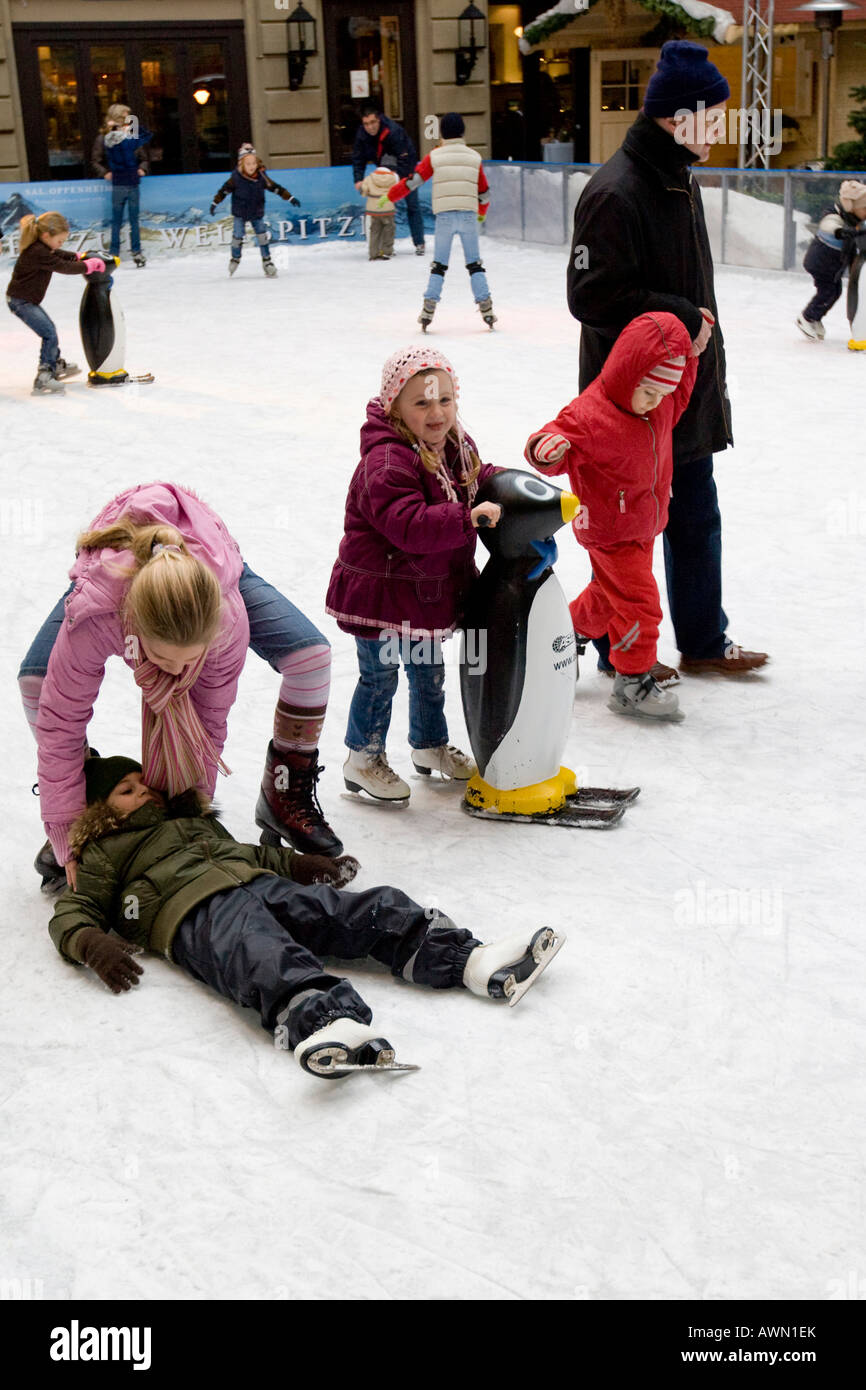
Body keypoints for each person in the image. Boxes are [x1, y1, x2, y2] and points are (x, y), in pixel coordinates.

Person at [47, 756, 563, 1078]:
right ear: (102, 811)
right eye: (127, 790)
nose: (145, 793)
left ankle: (467, 958)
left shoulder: (194, 824)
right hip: (195, 914)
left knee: (351, 910)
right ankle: (322, 1022)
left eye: (143, 783)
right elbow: (73, 911)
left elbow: (255, 855)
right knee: (260, 953)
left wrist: (304, 867)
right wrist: (91, 943)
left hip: (258, 883)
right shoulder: (103, 853)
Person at [19, 482, 343, 896]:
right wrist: (69, 832)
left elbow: (207, 725)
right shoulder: (101, 616)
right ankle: (93, 797)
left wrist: (191, 820)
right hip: (116, 572)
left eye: (190, 659)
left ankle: (282, 796)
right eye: (164, 658)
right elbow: (60, 722)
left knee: (310, 657)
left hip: (207, 562)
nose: (177, 671)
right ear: (135, 630)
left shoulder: (225, 622)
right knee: (37, 682)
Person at [567, 40, 768, 680]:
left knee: (694, 515)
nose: (722, 127)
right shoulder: (617, 191)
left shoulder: (675, 177)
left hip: (684, 391)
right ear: (679, 117)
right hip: (632, 401)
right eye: (714, 115)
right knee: (629, 533)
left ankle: (704, 640)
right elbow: (590, 296)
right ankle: (601, 644)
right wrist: (682, 317)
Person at [326, 347, 501, 802]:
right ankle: (362, 758)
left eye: (444, 399)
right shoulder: (387, 462)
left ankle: (429, 745)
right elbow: (409, 526)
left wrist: (510, 486)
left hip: (419, 594)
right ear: (395, 407)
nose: (437, 412)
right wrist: (469, 518)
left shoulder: (455, 446)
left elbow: (477, 479)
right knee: (379, 678)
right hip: (380, 596)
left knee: (428, 673)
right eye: (422, 403)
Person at [526, 312, 700, 722]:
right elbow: (548, 439)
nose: (658, 402)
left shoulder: (658, 406)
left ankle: (560, 635)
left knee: (609, 597)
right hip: (608, 529)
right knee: (640, 601)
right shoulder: (591, 413)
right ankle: (632, 683)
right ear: (627, 373)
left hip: (642, 524)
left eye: (663, 394)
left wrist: (690, 355)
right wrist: (545, 448)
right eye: (649, 392)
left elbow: (682, 393)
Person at [385, 113, 494, 330]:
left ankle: (428, 310)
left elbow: (413, 181)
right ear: (462, 131)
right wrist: (481, 211)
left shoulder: (435, 156)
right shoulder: (474, 157)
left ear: (442, 132)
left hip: (444, 216)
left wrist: (390, 196)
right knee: (474, 264)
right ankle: (486, 309)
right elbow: (484, 193)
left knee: (439, 266)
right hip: (468, 215)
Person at [6, 212, 105, 395]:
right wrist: (87, 265)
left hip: (25, 300)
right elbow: (62, 266)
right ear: (46, 236)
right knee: (49, 333)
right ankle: (44, 376)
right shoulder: (38, 252)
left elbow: (60, 255)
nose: (60, 245)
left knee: (49, 330)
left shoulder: (43, 247)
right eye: (59, 240)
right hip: (21, 302)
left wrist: (78, 256)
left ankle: (55, 365)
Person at [210, 143, 300, 277]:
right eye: (248, 164)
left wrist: (290, 197)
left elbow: (276, 188)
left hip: (256, 212)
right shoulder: (235, 179)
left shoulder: (262, 177)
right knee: (237, 236)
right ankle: (235, 258)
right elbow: (223, 191)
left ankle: (267, 262)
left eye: (254, 163)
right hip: (240, 213)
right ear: (241, 164)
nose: (252, 166)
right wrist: (214, 203)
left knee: (262, 237)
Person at [797, 179, 866, 341]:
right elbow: (828, 225)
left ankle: (815, 318)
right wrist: (841, 232)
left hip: (832, 265)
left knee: (834, 292)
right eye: (864, 208)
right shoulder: (836, 214)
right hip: (820, 263)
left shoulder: (855, 219)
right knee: (829, 292)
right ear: (852, 207)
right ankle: (807, 317)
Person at [352, 104, 426, 256]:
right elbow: (358, 159)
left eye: (372, 122)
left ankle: (419, 243)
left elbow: (406, 158)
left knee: (412, 205)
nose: (370, 127)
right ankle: (384, 247)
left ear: (379, 120)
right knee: (382, 209)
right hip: (384, 170)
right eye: (366, 124)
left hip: (406, 168)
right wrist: (358, 180)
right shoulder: (362, 135)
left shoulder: (394, 132)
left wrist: (397, 178)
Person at [91, 104, 151, 268]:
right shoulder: (104, 138)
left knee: (134, 220)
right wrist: (105, 173)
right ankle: (114, 252)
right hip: (118, 183)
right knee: (116, 220)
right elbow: (95, 160)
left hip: (132, 182)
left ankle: (136, 251)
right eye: (125, 116)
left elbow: (144, 158)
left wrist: (142, 169)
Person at [359, 160, 398, 260]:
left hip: (374, 209)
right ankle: (387, 251)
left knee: (374, 231)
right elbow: (397, 191)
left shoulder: (369, 178)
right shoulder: (393, 178)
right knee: (389, 230)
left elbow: (363, 191)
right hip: (388, 207)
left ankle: (373, 253)